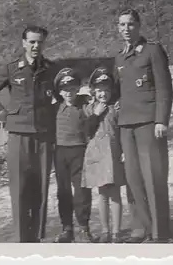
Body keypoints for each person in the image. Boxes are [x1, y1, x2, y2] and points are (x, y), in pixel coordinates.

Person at [0, 25, 56, 242]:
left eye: (39, 42)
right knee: (19, 187)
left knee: (41, 187)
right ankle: (20, 238)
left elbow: (61, 93)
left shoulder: (51, 68)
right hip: (18, 135)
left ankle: (37, 236)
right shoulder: (12, 68)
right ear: (24, 43)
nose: (36, 46)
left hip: (43, 135)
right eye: (32, 42)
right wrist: (1, 113)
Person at [114, 9, 173, 243]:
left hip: (149, 123)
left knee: (153, 177)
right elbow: (116, 90)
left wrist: (161, 119)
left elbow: (164, 87)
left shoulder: (152, 50)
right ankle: (145, 227)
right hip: (126, 125)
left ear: (138, 26)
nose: (125, 29)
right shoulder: (119, 57)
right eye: (121, 25)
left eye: (130, 24)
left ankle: (160, 233)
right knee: (133, 179)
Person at [53, 67, 107, 243]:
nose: (69, 93)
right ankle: (66, 228)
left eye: (73, 89)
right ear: (60, 91)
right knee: (63, 191)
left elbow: (93, 122)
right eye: (65, 89)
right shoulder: (54, 109)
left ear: (78, 89)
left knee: (82, 191)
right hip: (60, 152)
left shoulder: (85, 106)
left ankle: (84, 228)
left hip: (80, 151)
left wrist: (96, 113)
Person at [81, 67, 126, 243]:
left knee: (115, 194)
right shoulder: (88, 109)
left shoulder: (115, 109)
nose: (103, 94)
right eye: (99, 90)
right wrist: (95, 114)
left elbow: (122, 130)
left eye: (107, 90)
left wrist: (124, 152)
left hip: (113, 155)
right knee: (102, 195)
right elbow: (86, 131)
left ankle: (116, 231)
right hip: (97, 156)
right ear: (93, 91)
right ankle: (105, 230)